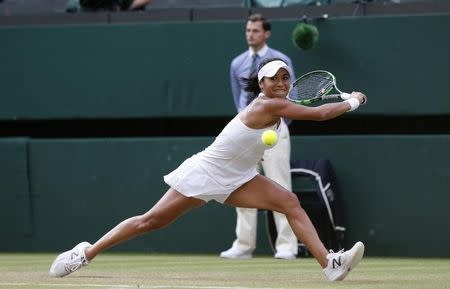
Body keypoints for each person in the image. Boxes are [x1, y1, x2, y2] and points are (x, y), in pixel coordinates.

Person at [49, 58, 367, 282]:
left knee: (289, 202)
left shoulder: (273, 106)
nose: (282, 83)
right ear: (262, 84)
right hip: (204, 173)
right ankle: (86, 253)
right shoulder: (267, 106)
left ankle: (330, 263)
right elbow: (322, 114)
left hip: (238, 177)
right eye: (275, 79)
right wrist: (352, 101)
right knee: (151, 221)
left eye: (286, 78)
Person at [222, 13, 298, 260]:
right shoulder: (237, 64)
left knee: (280, 185)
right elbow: (239, 100)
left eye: (255, 30)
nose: (250, 34)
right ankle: (243, 245)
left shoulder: (282, 61)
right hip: (246, 133)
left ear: (266, 33)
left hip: (274, 129)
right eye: (248, 30)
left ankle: (287, 246)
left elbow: (290, 97)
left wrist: (275, 124)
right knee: (242, 184)